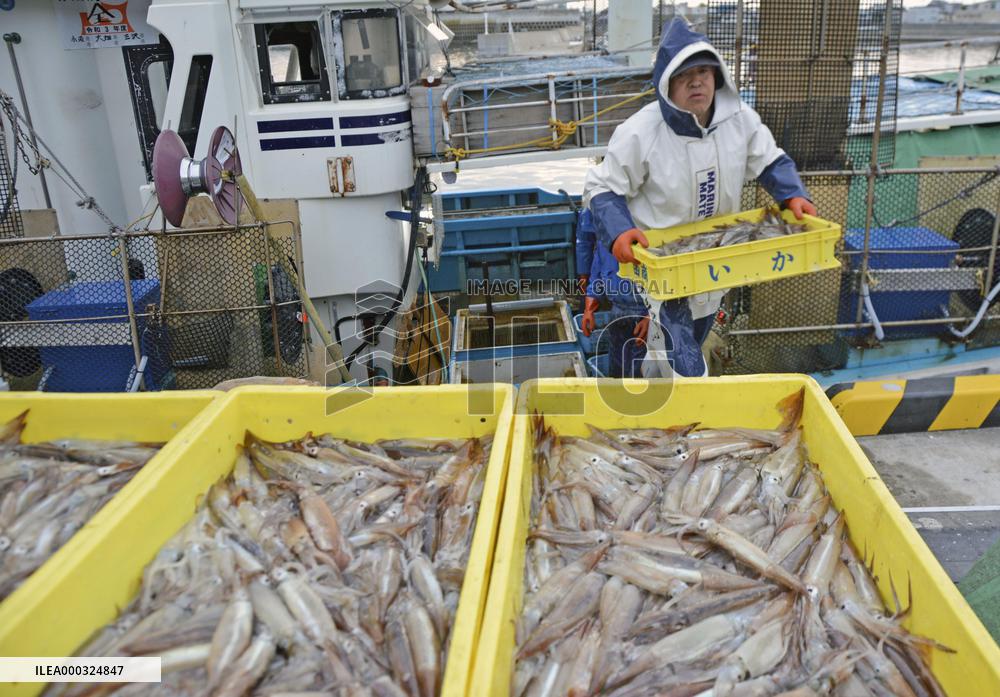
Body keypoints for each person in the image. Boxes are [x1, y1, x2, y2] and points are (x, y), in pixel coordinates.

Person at [583, 18, 817, 377]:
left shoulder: (742, 120)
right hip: (652, 276)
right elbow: (601, 187)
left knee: (690, 345)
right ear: (666, 84)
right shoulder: (639, 132)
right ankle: (631, 410)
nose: (696, 81)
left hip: (712, 269)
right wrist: (618, 232)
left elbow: (770, 159)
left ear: (717, 76)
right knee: (656, 369)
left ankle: (664, 407)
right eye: (684, 75)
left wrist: (793, 194)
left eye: (704, 72)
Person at [581, 224, 650, 378]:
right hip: (617, 313)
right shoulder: (604, 240)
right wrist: (588, 309)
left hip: (644, 316)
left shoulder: (645, 238)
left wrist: (652, 316)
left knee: (640, 373)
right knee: (617, 370)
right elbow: (596, 276)